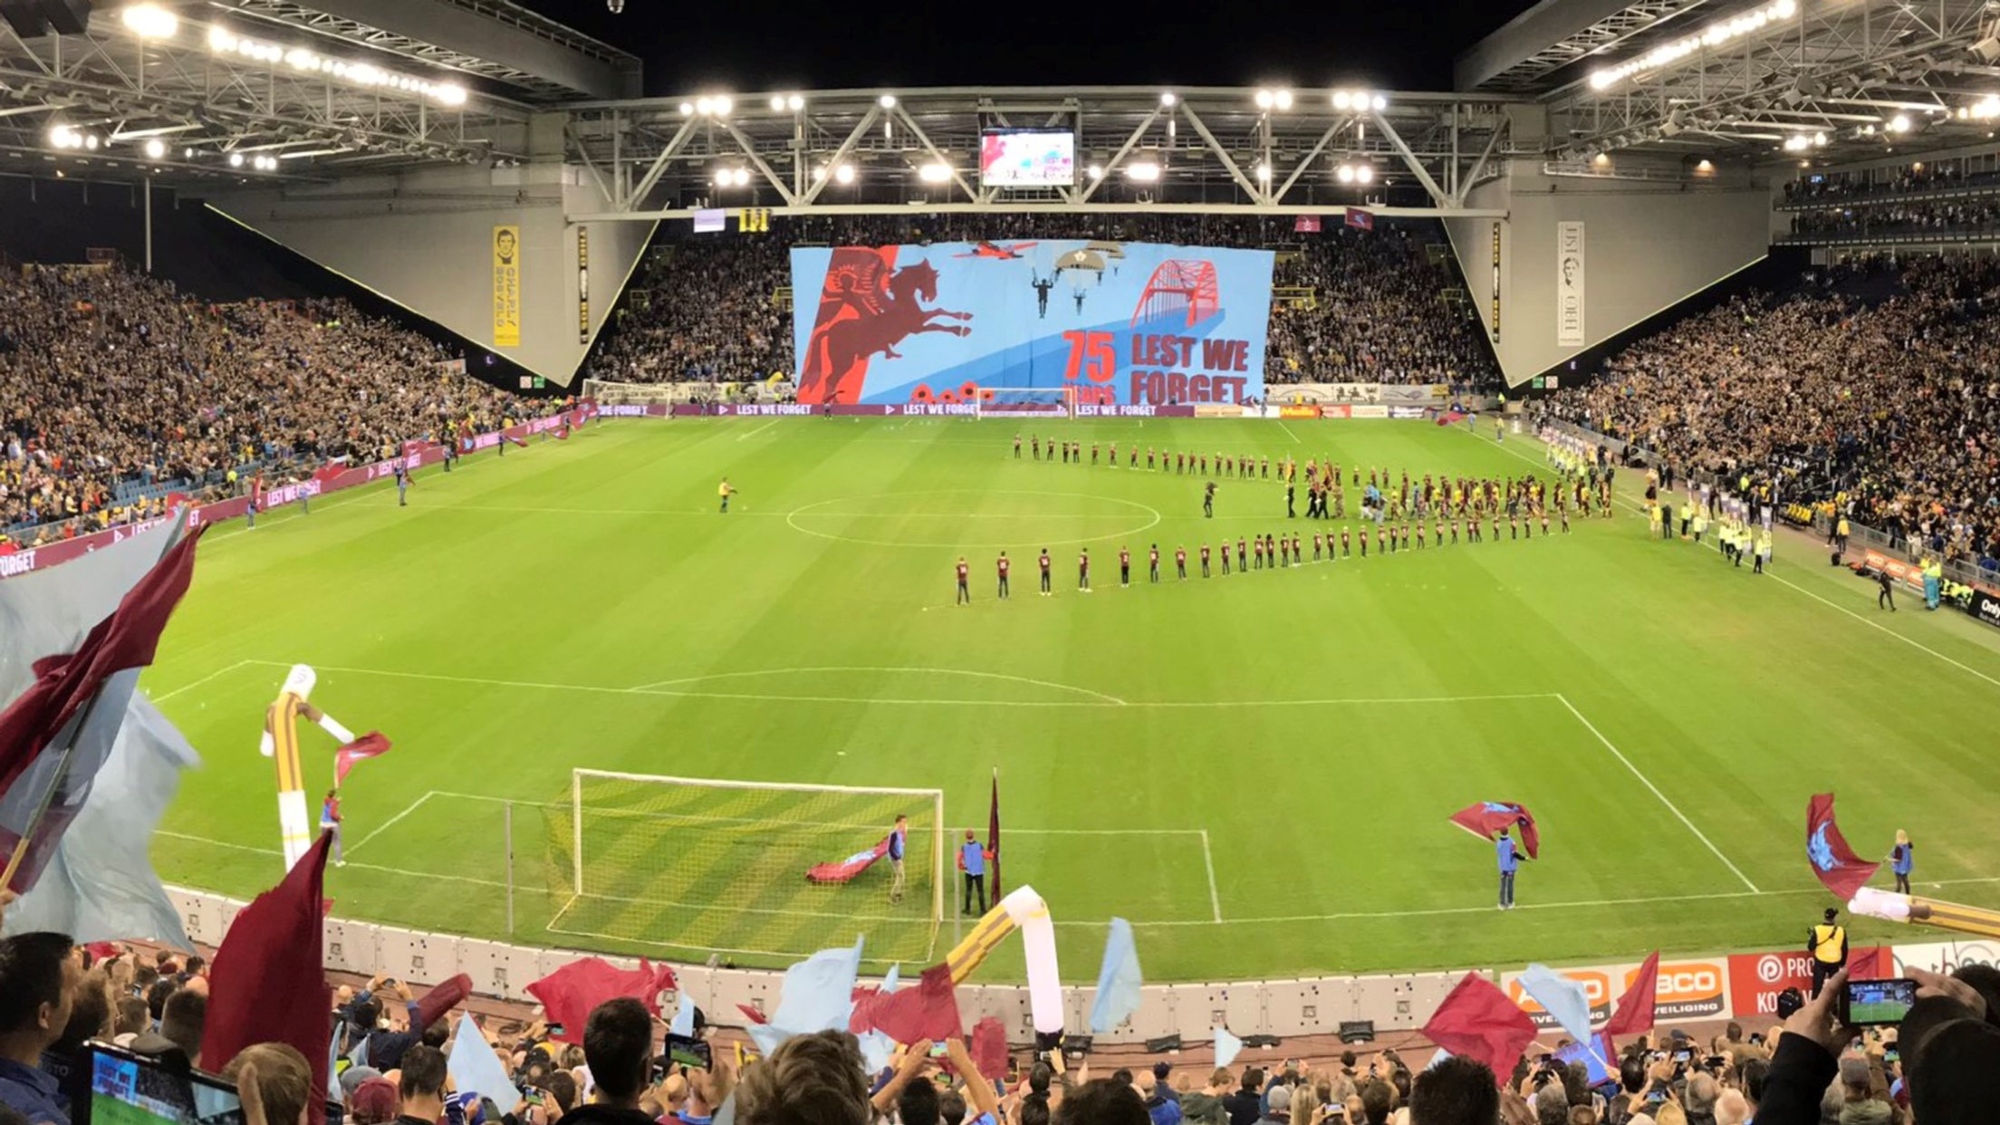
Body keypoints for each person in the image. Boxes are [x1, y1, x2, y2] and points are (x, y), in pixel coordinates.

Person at [1807, 907, 1846, 997]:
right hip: (1835, 961)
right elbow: (1844, 949)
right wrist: (1842, 963)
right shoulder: (1841, 930)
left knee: (1817, 987)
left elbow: (1810, 947)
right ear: (1834, 918)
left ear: (1825, 917)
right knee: (1835, 988)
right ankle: (1834, 1004)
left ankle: (1815, 1004)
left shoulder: (1817, 929)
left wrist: (1810, 938)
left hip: (1821, 961)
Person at [960, 829, 987, 915]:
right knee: (980, 891)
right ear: (973, 836)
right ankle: (982, 910)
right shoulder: (979, 845)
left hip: (969, 871)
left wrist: (963, 866)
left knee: (968, 890)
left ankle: (967, 909)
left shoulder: (964, 847)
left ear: (966, 837)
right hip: (979, 871)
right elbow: (985, 855)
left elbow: (961, 858)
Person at [320, 788, 344, 867]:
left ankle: (321, 860)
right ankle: (338, 862)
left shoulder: (326, 800)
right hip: (332, 824)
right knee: (336, 842)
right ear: (334, 795)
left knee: (324, 843)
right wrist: (340, 817)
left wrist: (337, 801)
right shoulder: (333, 803)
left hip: (323, 824)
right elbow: (333, 815)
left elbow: (330, 803)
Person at [888, 815, 908, 905]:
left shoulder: (899, 833)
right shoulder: (894, 833)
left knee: (901, 877)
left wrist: (905, 832)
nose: (905, 824)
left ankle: (897, 894)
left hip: (898, 857)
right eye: (903, 822)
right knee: (900, 876)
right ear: (898, 822)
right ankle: (892, 896)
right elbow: (890, 848)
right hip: (895, 858)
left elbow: (902, 843)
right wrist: (897, 858)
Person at [1496, 827, 1518, 910]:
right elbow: (1514, 853)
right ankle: (1510, 902)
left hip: (1503, 867)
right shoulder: (1512, 842)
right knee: (1510, 884)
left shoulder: (1499, 842)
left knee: (1503, 885)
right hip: (1511, 867)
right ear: (1508, 831)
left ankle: (1502, 904)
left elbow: (1499, 853)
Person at [1890, 830, 1913, 894]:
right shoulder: (1908, 844)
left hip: (1899, 868)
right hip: (1905, 867)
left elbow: (1898, 859)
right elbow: (1911, 848)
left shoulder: (1898, 847)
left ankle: (1894, 896)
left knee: (1899, 885)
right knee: (1906, 882)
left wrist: (1889, 859)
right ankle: (1908, 895)